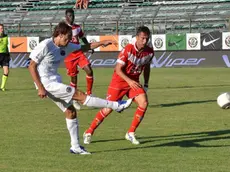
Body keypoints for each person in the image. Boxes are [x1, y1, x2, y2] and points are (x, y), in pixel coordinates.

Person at [28, 21, 132, 155]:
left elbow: (84, 47)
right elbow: (31, 66)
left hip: (54, 81)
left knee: (71, 112)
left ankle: (75, 147)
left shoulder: (66, 45)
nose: (68, 41)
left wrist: (101, 43)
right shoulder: (45, 45)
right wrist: (40, 87)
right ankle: (116, 105)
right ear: (59, 34)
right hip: (47, 83)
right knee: (80, 95)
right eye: (66, 38)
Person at [83, 26, 154, 145]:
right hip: (119, 81)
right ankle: (89, 132)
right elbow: (118, 69)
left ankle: (130, 133)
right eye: (142, 38)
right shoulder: (128, 49)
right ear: (137, 37)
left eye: (147, 39)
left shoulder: (150, 51)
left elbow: (147, 67)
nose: (145, 41)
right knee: (108, 108)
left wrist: (146, 83)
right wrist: (129, 81)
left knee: (144, 102)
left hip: (134, 81)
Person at [64, 8, 94, 110]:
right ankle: (74, 99)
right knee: (74, 79)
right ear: (66, 17)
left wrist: (88, 46)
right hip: (69, 56)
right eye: (69, 16)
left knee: (89, 70)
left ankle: (89, 94)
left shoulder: (77, 27)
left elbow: (82, 37)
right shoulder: (62, 28)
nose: (71, 18)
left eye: (73, 16)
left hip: (79, 53)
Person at [0, 24, 10, 91]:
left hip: (5, 56)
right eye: (0, 28)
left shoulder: (6, 36)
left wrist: (8, 54)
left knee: (6, 71)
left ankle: (2, 87)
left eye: (2, 28)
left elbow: (6, 46)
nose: (2, 29)